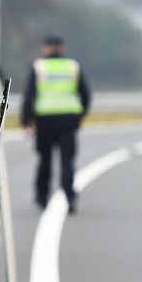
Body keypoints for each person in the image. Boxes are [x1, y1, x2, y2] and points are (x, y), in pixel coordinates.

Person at [21, 35, 92, 213]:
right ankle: (70, 197)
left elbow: (29, 96)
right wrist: (80, 115)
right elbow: (86, 94)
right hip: (68, 119)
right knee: (67, 161)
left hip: (44, 120)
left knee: (45, 160)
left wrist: (26, 121)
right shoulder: (72, 66)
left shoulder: (39, 67)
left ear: (45, 48)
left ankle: (42, 196)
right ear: (62, 48)